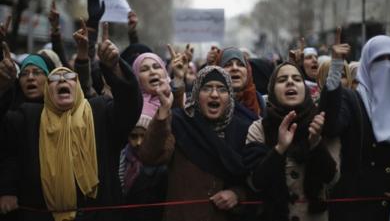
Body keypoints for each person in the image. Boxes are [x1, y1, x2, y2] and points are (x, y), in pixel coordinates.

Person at [0, 24, 143, 221]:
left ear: (78, 86)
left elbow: (130, 106)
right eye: (55, 78)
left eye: (68, 77)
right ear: (48, 90)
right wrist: (2, 86)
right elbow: (6, 150)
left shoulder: (100, 111)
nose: (62, 81)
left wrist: (114, 67)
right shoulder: (28, 117)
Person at [138, 66, 251, 221]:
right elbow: (150, 156)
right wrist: (163, 112)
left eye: (222, 89)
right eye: (207, 88)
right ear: (197, 93)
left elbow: (256, 181)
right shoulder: (180, 123)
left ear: (230, 96)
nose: (214, 95)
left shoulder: (243, 129)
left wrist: (237, 194)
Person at [246, 62, 339, 221]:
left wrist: (315, 145)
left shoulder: (320, 123)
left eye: (296, 79)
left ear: (305, 88)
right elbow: (254, 182)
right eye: (282, 80)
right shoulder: (259, 128)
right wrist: (279, 149)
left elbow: (332, 179)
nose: (290, 82)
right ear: (272, 91)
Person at [325, 34, 390, 221]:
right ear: (366, 64)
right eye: (379, 60)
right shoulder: (351, 100)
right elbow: (330, 125)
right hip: (357, 209)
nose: (387, 66)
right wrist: (335, 67)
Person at [118, 52, 169, 221]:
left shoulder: (178, 101)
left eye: (156, 67)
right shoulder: (130, 106)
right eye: (145, 69)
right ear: (136, 77)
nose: (153, 72)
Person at [217, 47, 263, 125]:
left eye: (240, 64)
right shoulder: (212, 102)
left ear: (248, 71)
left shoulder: (260, 102)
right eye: (228, 65)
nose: (235, 68)